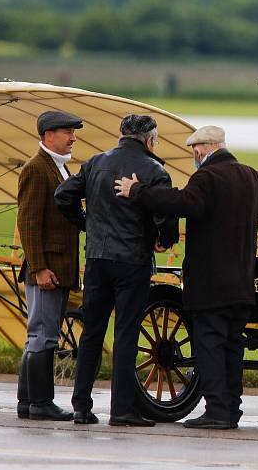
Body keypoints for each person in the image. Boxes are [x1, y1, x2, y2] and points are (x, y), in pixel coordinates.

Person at [114, 125, 258, 429]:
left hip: (211, 283)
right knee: (232, 347)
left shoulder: (207, 177)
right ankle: (231, 410)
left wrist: (136, 190)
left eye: (195, 151)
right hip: (243, 283)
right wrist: (257, 183)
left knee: (209, 346)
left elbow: (182, 203)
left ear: (201, 150)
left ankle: (217, 411)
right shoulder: (248, 176)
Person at [55, 115, 179, 426]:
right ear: (149, 140)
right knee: (125, 334)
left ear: (122, 135)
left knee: (92, 333)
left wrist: (86, 224)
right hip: (132, 261)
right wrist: (164, 240)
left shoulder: (96, 162)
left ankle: (81, 406)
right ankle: (122, 410)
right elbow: (165, 216)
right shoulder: (155, 170)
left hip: (96, 259)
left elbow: (63, 196)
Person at [16, 110, 83, 421]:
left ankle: (27, 402)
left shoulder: (60, 169)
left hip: (58, 268)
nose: (72, 137)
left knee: (40, 334)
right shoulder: (36, 169)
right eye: (66, 131)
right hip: (47, 270)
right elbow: (28, 223)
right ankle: (40, 402)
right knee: (42, 335)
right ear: (48, 135)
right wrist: (39, 268)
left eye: (72, 132)